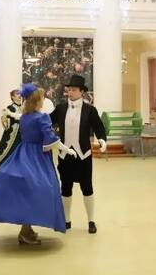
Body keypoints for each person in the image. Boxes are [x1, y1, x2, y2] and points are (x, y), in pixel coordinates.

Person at [0, 84, 77, 245]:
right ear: (37, 101)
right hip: (37, 157)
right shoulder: (42, 117)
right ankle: (25, 231)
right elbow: (50, 139)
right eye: (42, 98)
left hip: (22, 154)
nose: (43, 100)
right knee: (42, 189)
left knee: (26, 190)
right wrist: (67, 149)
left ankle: (26, 229)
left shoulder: (25, 117)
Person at [50, 74, 107, 234]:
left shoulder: (90, 110)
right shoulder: (61, 108)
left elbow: (99, 127)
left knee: (87, 187)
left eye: (74, 90)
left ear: (82, 92)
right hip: (65, 155)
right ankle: (66, 220)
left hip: (84, 155)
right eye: (69, 89)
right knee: (65, 188)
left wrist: (102, 139)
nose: (70, 92)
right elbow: (47, 121)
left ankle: (91, 220)